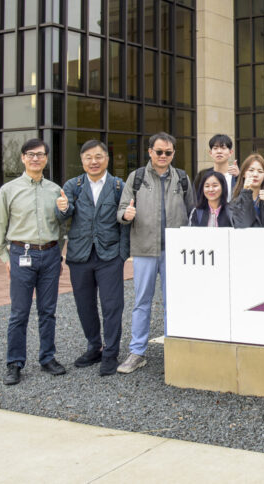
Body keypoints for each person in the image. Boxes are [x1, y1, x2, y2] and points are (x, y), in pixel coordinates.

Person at [115, 132, 192, 375]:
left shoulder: (182, 178)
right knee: (142, 302)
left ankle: (173, 348)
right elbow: (121, 209)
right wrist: (125, 216)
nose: (163, 156)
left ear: (173, 153)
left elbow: (193, 212)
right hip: (144, 250)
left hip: (174, 251)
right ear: (150, 151)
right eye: (159, 152)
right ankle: (137, 352)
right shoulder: (136, 177)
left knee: (175, 302)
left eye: (168, 152)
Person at [0, 138, 66, 386]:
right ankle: (14, 363)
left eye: (40, 154)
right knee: (19, 312)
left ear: (46, 158)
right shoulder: (9, 190)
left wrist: (59, 251)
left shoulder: (56, 191)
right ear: (23, 158)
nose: (36, 158)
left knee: (48, 311)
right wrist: (5, 258)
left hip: (51, 255)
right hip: (21, 255)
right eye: (30, 154)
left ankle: (47, 358)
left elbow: (62, 225)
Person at [55, 140, 129, 376]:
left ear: (107, 158)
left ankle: (110, 353)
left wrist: (123, 255)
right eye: (88, 157)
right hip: (80, 255)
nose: (94, 161)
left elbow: (126, 222)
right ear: (82, 161)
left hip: (110, 256)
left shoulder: (119, 186)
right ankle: (94, 346)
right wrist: (63, 208)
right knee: (84, 305)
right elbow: (62, 215)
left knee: (112, 306)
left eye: (98, 156)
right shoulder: (73, 185)